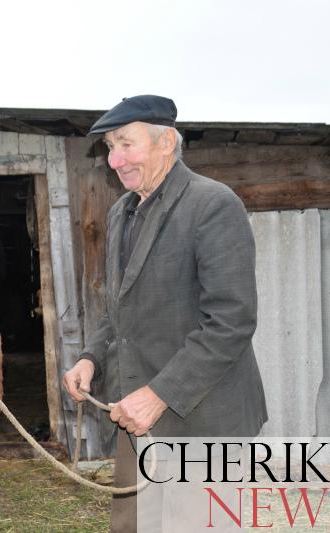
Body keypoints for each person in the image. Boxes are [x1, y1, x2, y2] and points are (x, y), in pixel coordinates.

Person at [62, 95, 267, 532]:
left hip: (204, 422)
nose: (115, 160)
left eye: (125, 144)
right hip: (137, 422)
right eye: (110, 149)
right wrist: (91, 358)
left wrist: (158, 395)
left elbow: (231, 322)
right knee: (135, 525)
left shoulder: (213, 204)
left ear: (166, 143)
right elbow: (119, 307)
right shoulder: (122, 212)